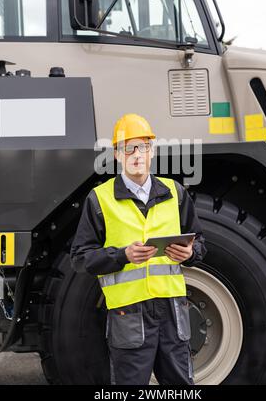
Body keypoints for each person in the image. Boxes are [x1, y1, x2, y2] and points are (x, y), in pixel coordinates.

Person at [70, 113, 207, 385]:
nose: (136, 154)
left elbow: (200, 242)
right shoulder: (100, 199)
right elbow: (80, 259)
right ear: (118, 155)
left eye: (142, 146)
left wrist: (190, 254)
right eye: (127, 148)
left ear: (152, 151)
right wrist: (123, 256)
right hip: (128, 314)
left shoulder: (175, 193)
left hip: (171, 310)